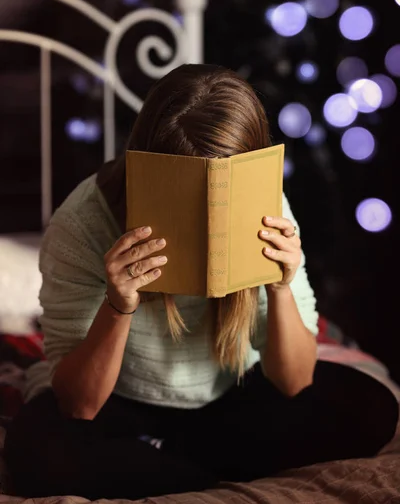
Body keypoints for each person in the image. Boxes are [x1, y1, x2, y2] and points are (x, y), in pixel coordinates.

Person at [4, 64, 398, 500]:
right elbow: (81, 404)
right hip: (123, 401)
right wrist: (118, 305)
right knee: (36, 454)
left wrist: (279, 286)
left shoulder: (269, 208)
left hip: (231, 399)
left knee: (371, 407)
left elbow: (294, 381)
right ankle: (193, 463)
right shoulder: (81, 223)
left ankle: (168, 462)